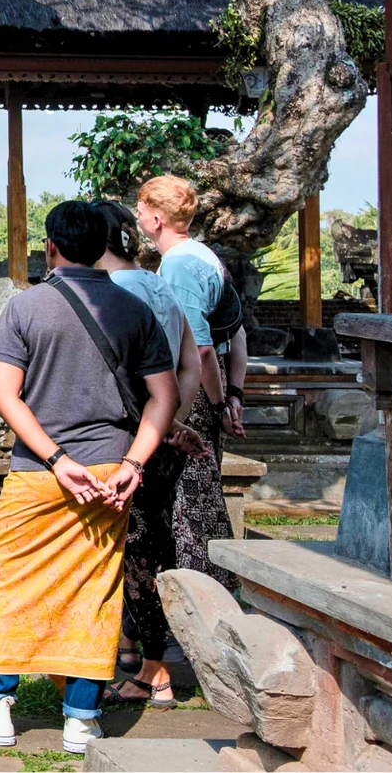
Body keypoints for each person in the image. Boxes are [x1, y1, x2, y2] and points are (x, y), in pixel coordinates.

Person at [0, 200, 178, 756]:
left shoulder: (25, 307)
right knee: (95, 589)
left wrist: (57, 458)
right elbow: (165, 397)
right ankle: (82, 718)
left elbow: (4, 395)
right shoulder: (134, 310)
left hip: (41, 470)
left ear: (51, 247)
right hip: (111, 471)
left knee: (11, 581)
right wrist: (134, 464)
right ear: (105, 245)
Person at [94, 199, 209, 709]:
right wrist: (170, 421)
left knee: (135, 553)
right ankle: (142, 654)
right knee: (155, 547)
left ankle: (153, 671)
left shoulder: (110, 293)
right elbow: (190, 363)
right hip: (160, 436)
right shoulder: (159, 284)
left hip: (124, 442)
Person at [134, 176, 242, 593]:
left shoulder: (178, 266)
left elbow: (200, 349)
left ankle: (202, 590)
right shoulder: (204, 256)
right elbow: (236, 331)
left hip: (191, 391)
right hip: (209, 388)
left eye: (141, 210)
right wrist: (233, 394)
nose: (137, 217)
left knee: (190, 500)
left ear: (157, 219)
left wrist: (215, 404)